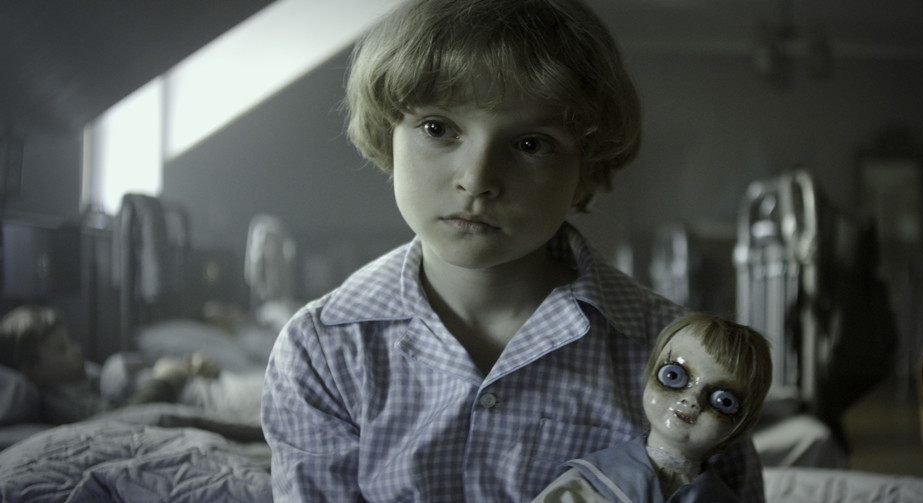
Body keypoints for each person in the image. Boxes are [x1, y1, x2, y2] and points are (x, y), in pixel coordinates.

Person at [260, 0, 766, 501]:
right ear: (388, 132)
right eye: (438, 128)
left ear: (587, 167)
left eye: (530, 144)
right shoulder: (322, 350)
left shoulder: (685, 359)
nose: (477, 179)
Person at [531, 313, 773, 502]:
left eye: (723, 401)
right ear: (648, 377)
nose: (692, 400)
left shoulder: (718, 498)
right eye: (674, 376)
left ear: (741, 424)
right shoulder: (588, 485)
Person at [0, 305, 219, 424]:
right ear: (31, 371)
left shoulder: (82, 378)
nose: (77, 349)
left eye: (69, 342)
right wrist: (166, 380)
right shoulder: (61, 399)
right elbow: (120, 422)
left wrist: (186, 367)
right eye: (61, 349)